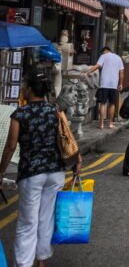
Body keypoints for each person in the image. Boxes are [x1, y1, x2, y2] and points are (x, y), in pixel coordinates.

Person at [0, 68, 83, 267]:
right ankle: (41, 260)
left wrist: (1, 171)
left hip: (32, 173)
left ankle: (24, 263)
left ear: (29, 90)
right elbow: (67, 137)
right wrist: (77, 160)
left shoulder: (20, 114)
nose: (22, 90)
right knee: (46, 218)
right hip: (55, 171)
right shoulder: (55, 111)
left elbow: (11, 146)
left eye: (23, 87)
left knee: (28, 221)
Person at [85, 45, 124, 129]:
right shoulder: (118, 58)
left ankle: (101, 124)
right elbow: (121, 73)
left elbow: (97, 66)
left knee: (103, 103)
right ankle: (110, 124)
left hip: (104, 84)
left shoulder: (103, 56)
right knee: (112, 104)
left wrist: (87, 72)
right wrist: (120, 84)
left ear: (105, 51)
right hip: (114, 85)